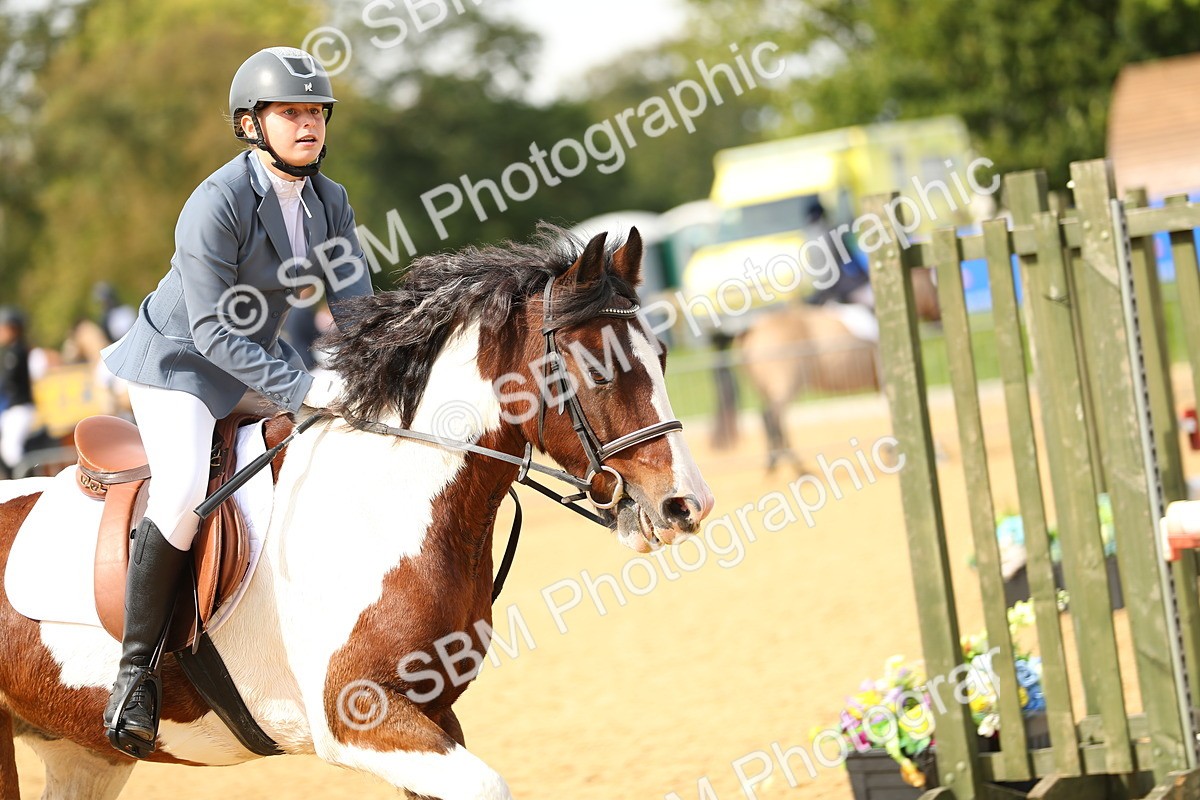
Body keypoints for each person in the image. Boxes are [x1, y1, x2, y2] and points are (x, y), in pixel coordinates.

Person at [99, 46, 373, 758]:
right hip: (180, 362)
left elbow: (358, 311)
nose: (309, 125)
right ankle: (134, 675)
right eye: (292, 113)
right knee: (186, 485)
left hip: (258, 358)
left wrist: (384, 374)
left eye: (316, 112)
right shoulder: (215, 202)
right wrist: (304, 385)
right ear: (252, 124)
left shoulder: (329, 201)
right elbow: (214, 330)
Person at [0, 306, 36, 479]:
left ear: (13, 328)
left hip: (20, 408)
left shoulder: (17, 351)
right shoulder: (12, 351)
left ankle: (27, 482)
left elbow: (7, 381)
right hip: (13, 409)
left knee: (10, 450)